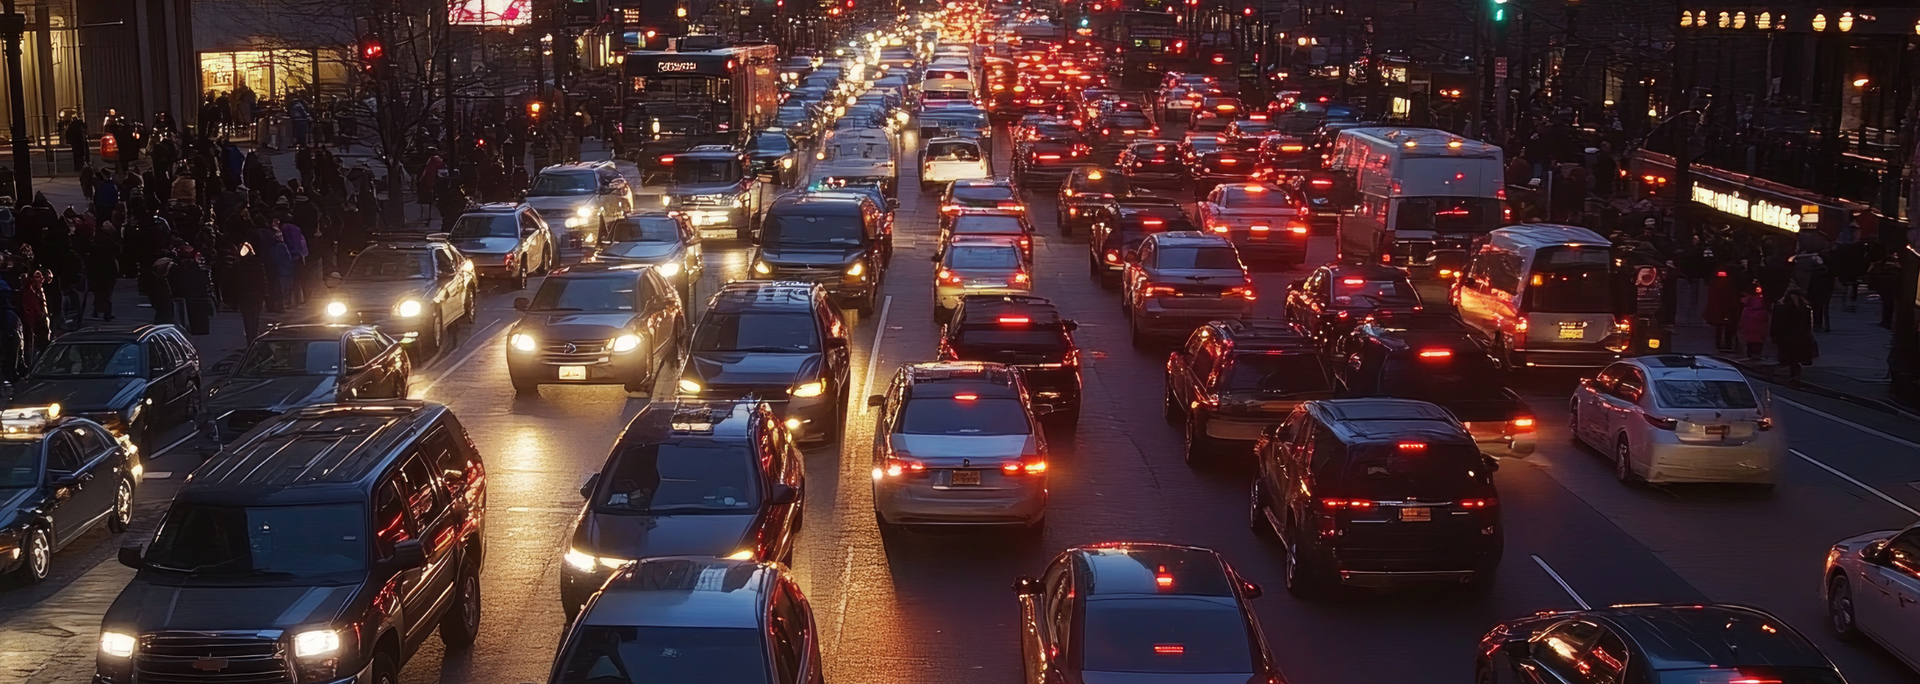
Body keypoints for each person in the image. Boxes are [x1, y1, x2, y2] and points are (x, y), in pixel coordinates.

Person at [1771, 288, 1817, 378]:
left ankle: (1793, 374)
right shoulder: (1803, 309)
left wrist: (1774, 335)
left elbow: (1775, 323)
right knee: (1795, 358)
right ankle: (1794, 374)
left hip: (1791, 337)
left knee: (1791, 358)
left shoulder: (1783, 309)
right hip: (1795, 337)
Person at [230, 242, 268, 342]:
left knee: (247, 318)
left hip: (245, 294)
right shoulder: (258, 264)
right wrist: (264, 294)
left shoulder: (238, 265)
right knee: (255, 317)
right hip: (255, 295)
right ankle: (253, 336)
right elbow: (263, 280)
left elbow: (235, 283)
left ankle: (250, 337)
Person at [87, 224, 120, 321]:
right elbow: (117, 250)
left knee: (101, 291)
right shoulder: (105, 243)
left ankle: (100, 310)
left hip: (99, 270)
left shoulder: (95, 243)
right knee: (105, 291)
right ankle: (105, 311)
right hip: (104, 269)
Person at [1704, 270, 1741, 352]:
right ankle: (1727, 345)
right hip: (1726, 311)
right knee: (1726, 327)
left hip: (1720, 311)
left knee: (1720, 327)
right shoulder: (1730, 286)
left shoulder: (1714, 286)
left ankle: (1721, 345)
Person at [1738, 283, 1769, 360]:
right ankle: (1757, 355)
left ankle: (1750, 356)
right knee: (1758, 345)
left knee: (1750, 346)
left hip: (1748, 332)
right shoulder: (1764, 308)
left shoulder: (1747, 307)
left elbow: (1742, 322)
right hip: (1760, 333)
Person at [142, 257, 176, 324]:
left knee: (164, 310)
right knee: (164, 310)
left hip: (163, 296)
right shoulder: (158, 281)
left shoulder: (160, 280)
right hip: (162, 297)